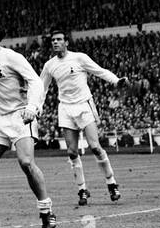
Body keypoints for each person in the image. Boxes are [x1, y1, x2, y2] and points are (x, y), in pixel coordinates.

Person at [0, 24, 55, 228]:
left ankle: (46, 211)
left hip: (20, 116)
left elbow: (35, 81)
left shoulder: (12, 57)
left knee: (26, 162)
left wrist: (33, 108)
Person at [39, 30, 122, 206]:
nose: (55, 42)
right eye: (53, 40)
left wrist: (116, 81)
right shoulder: (49, 65)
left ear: (66, 42)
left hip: (84, 105)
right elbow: (42, 88)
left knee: (95, 147)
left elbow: (99, 71)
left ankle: (111, 183)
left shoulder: (79, 58)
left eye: (59, 39)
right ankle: (82, 189)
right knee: (71, 152)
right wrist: (37, 108)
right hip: (65, 108)